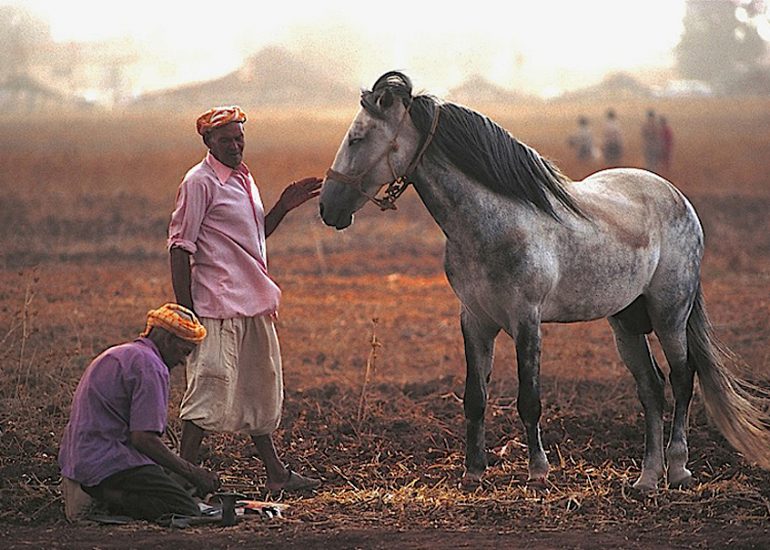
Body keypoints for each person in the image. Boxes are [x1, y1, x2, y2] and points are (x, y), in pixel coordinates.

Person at [168, 105, 322, 493]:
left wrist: (283, 208)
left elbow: (252, 241)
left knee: (258, 385)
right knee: (209, 386)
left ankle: (276, 474)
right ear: (207, 142)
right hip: (216, 303)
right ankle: (182, 479)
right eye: (225, 141)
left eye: (239, 139)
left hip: (253, 298)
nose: (235, 147)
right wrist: (187, 311)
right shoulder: (199, 182)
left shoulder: (243, 179)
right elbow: (179, 247)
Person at [58, 303, 220, 522]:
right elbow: (143, 439)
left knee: (174, 484)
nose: (183, 361)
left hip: (83, 458)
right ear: (168, 339)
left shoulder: (121, 353)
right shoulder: (151, 366)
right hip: (110, 462)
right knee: (184, 508)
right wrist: (191, 472)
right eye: (184, 352)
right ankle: (105, 498)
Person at [642, 109, 662, 173]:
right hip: (654, 145)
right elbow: (658, 135)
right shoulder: (656, 124)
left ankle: (650, 172)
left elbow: (643, 134)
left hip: (648, 145)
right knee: (653, 162)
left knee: (649, 162)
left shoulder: (646, 124)